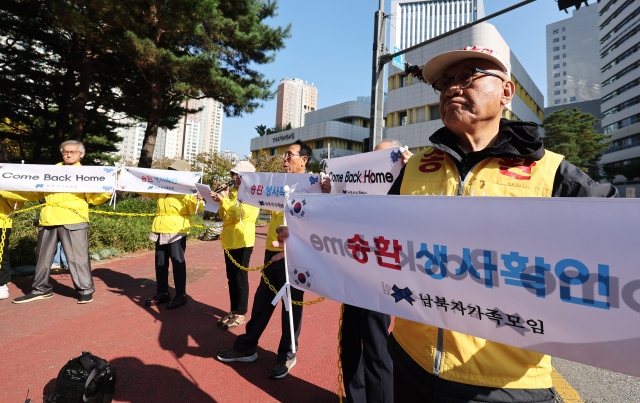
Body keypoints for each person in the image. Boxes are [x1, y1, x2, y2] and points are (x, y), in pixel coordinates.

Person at [273, 46, 617, 402]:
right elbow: (370, 237)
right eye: (444, 84)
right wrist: (307, 236)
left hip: (506, 385)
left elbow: (620, 245)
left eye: (467, 77)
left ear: (506, 92)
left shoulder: (552, 173)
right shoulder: (415, 167)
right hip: (408, 363)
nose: (452, 88)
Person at [217, 139, 330, 379]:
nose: (285, 159)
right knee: (262, 301)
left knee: (292, 306)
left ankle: (287, 355)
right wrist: (242, 184)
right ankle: (247, 347)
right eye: (285, 156)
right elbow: (251, 199)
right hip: (272, 252)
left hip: (297, 255)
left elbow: (325, 216)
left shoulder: (315, 184)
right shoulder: (276, 184)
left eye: (290, 155)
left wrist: (326, 191)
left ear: (304, 160)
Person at [340, 139, 412, 403]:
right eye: (373, 157)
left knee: (376, 347)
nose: (377, 163)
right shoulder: (358, 187)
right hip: (354, 274)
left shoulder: (405, 184)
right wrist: (331, 191)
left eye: (386, 158)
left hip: (382, 276)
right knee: (349, 342)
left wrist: (409, 169)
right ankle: (355, 397)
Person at [2, 140, 113, 304]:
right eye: (65, 152)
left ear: (81, 155)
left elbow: (93, 199)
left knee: (78, 258)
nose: (68, 154)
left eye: (73, 152)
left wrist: (107, 192)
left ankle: (85, 290)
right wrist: (4, 189)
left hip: (74, 219)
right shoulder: (51, 170)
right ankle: (40, 289)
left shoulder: (88, 173)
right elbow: (35, 193)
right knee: (42, 258)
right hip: (49, 219)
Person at [140, 159, 204, 310]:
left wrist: (198, 200)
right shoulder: (163, 187)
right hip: (160, 227)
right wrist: (128, 185)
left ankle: (181, 294)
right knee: (160, 262)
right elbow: (146, 189)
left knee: (177, 261)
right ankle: (162, 292)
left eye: (174, 171)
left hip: (177, 229)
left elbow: (196, 209)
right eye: (170, 170)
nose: (171, 173)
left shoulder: (188, 188)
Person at [210, 161, 260, 330]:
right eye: (234, 174)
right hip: (230, 239)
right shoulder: (234, 193)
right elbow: (224, 214)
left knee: (240, 278)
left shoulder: (252, 193)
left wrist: (223, 201)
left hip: (243, 239)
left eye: (239, 174)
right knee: (231, 277)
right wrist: (223, 198)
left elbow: (241, 213)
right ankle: (233, 310)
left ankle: (241, 313)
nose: (235, 177)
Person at [0, 149, 25, 300]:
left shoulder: (10, 178)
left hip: (2, 222)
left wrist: (3, 191)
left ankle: (2, 285)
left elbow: (19, 202)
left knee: (1, 254)